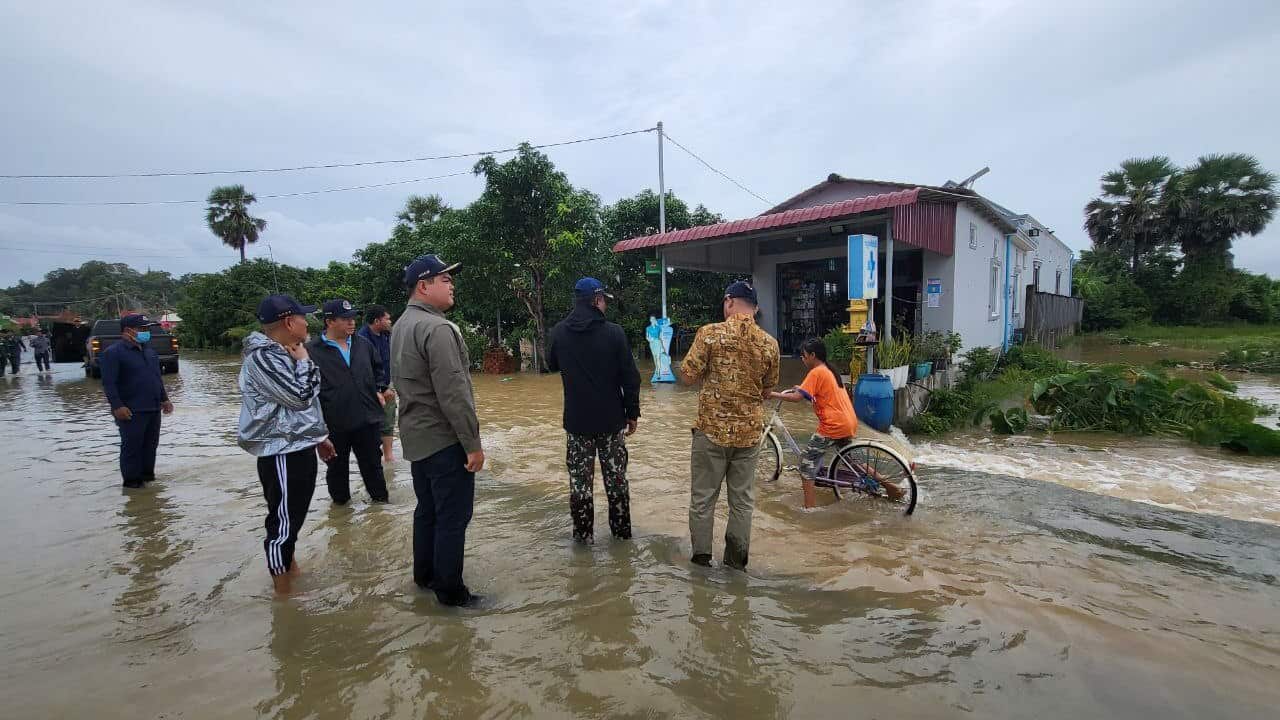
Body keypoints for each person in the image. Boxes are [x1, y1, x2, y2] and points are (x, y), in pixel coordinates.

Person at [391, 254, 485, 607]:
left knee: (427, 511)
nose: (451, 284)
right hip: (444, 440)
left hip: (417, 439)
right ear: (423, 286)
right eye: (444, 279)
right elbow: (454, 393)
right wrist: (472, 444)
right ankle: (451, 593)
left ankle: (425, 576)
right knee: (453, 518)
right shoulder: (438, 328)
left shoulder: (401, 325)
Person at [237, 294, 336, 595]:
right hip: (280, 452)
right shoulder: (264, 358)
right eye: (303, 317)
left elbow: (302, 408)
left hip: (296, 446)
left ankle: (291, 572)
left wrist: (318, 437)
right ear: (289, 322)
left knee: (293, 518)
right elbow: (299, 397)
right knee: (283, 523)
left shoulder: (283, 353)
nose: (308, 323)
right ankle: (283, 596)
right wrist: (305, 362)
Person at [679, 280, 779, 570]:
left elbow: (687, 376)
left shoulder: (709, 334)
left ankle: (701, 562)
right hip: (749, 436)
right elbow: (768, 390)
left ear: (729, 302)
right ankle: (735, 565)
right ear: (755, 309)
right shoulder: (770, 344)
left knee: (703, 500)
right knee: (742, 503)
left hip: (710, 432)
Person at [547, 277, 642, 544]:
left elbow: (550, 364)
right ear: (596, 300)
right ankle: (622, 539)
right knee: (617, 481)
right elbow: (631, 378)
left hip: (577, 424)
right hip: (611, 423)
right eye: (604, 301)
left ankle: (583, 541)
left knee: (580, 484)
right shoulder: (615, 333)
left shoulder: (559, 332)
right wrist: (632, 413)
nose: (606, 306)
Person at [769, 337, 902, 506]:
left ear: (813, 355)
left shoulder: (816, 372)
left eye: (804, 356)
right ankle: (891, 486)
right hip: (848, 422)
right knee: (851, 460)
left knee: (805, 464)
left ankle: (808, 508)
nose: (802, 359)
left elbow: (796, 398)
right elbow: (818, 394)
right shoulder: (830, 371)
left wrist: (772, 394)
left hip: (833, 426)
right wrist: (801, 389)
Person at [308, 299, 390, 505]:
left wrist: (379, 389)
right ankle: (340, 514)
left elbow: (378, 369)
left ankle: (381, 511)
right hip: (335, 424)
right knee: (337, 472)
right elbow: (307, 392)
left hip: (367, 420)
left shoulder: (363, 344)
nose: (352, 322)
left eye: (353, 318)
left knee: (374, 469)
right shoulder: (312, 351)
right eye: (345, 319)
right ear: (329, 321)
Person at [100, 314, 174, 489]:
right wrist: (117, 406)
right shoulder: (113, 353)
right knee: (132, 447)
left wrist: (165, 399)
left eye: (147, 329)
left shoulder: (149, 352)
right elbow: (109, 383)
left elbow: (156, 378)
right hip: (131, 410)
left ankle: (148, 481)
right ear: (128, 330)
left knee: (150, 446)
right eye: (142, 329)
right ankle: (132, 485)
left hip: (153, 408)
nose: (146, 332)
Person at [357, 305, 397, 463]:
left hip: (386, 385)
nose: (390, 321)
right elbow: (364, 368)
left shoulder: (386, 335)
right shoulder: (361, 339)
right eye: (387, 318)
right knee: (371, 424)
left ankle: (388, 457)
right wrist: (379, 389)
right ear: (376, 321)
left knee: (388, 420)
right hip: (369, 389)